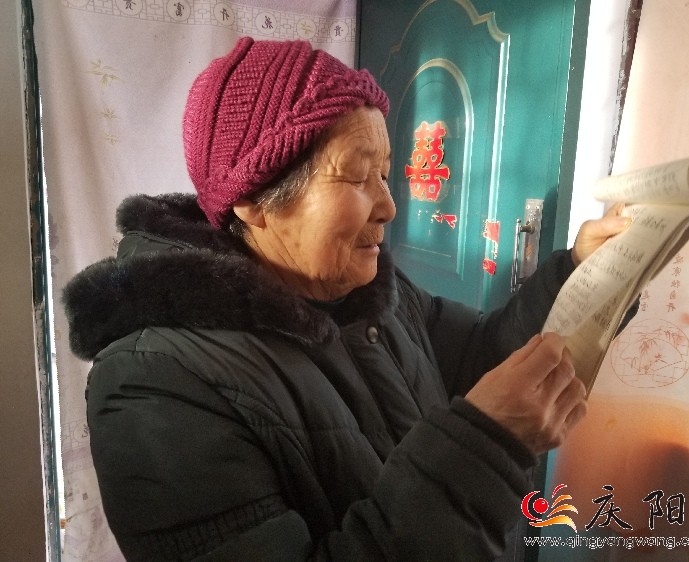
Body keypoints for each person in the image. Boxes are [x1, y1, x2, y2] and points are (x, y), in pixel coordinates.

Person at [63, 37, 631, 561]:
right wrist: (485, 447)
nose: (389, 206)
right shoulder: (154, 383)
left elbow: (483, 357)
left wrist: (585, 275)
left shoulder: (371, 295)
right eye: (358, 177)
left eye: (384, 174)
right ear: (254, 200)